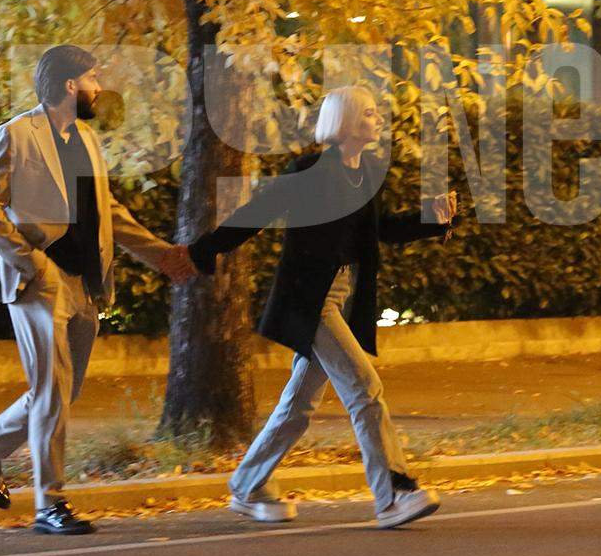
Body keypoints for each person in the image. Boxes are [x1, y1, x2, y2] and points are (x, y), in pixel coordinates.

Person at [189, 86, 457, 530]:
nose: (377, 119)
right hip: (310, 300)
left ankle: (247, 484)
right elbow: (259, 211)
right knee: (364, 389)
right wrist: (205, 250)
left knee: (298, 406)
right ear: (348, 122)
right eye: (370, 113)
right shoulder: (310, 170)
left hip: (340, 295)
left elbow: (380, 231)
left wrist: (432, 218)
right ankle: (391, 495)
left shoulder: (366, 171)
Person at [0, 45, 196, 534]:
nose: (98, 85)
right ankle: (51, 504)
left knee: (63, 392)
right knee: (50, 392)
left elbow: (106, 210)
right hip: (38, 283)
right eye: (92, 77)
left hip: (86, 283)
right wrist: (33, 262)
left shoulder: (86, 138)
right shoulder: (16, 134)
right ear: (70, 85)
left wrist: (160, 254)